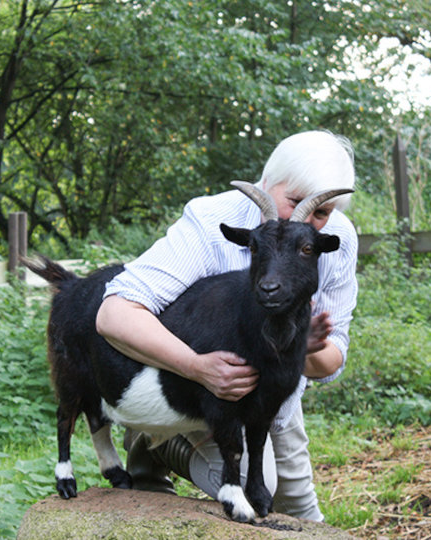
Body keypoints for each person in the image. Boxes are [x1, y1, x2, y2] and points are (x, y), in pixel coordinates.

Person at [95, 130, 358, 521]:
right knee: (255, 485)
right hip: (197, 390)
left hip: (274, 395)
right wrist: (196, 368)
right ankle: (155, 438)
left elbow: (333, 357)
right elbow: (113, 314)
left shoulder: (337, 238)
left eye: (320, 211)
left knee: (300, 509)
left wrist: (301, 346)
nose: (304, 218)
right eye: (294, 201)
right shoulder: (211, 220)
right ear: (266, 184)